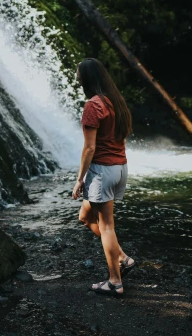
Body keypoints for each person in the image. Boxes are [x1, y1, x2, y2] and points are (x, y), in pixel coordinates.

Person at [72, 58, 137, 297]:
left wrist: (80, 179)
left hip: (102, 170)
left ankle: (115, 281)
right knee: (85, 216)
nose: (76, 77)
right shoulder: (115, 102)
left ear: (87, 77)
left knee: (107, 226)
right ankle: (122, 258)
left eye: (78, 73)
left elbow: (89, 148)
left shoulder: (93, 105)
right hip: (120, 167)